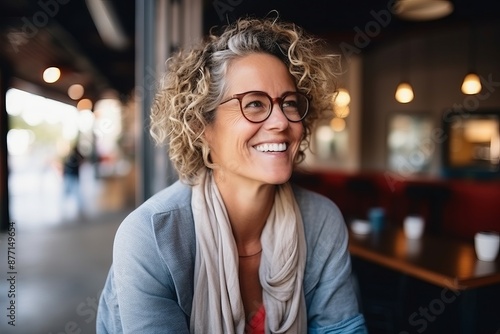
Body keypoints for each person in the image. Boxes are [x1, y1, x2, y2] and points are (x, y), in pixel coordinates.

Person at [97, 16, 367, 334]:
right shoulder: (151, 237)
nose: (281, 121)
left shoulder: (321, 220)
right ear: (201, 127)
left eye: (290, 103)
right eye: (254, 104)